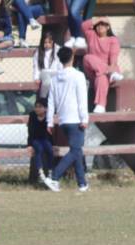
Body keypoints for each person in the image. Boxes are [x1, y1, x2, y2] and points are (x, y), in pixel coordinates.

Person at [43, 46, 89, 193]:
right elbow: (82, 99)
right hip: (75, 118)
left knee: (77, 151)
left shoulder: (55, 78)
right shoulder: (78, 76)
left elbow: (51, 101)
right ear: (72, 58)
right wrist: (84, 118)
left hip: (62, 120)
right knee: (75, 151)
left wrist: (49, 121)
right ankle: (54, 177)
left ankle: (82, 184)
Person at [82, 17, 123, 114]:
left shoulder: (113, 40)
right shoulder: (92, 35)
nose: (100, 26)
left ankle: (101, 105)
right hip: (94, 72)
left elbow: (113, 57)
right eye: (98, 25)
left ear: (108, 27)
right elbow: (83, 26)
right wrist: (99, 19)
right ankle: (110, 72)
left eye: (103, 24)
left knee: (101, 77)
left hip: (106, 73)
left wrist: (111, 67)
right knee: (87, 57)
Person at [27, 98, 53, 181]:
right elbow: (30, 131)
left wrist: (53, 142)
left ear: (45, 108)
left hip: (45, 139)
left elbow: (51, 133)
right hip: (35, 139)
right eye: (36, 106)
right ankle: (40, 173)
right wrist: (29, 145)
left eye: (40, 106)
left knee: (50, 149)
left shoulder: (49, 116)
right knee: (39, 149)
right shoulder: (32, 115)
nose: (37, 109)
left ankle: (50, 172)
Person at [33, 32, 62, 98]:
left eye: (49, 42)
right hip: (44, 73)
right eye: (45, 42)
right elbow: (36, 66)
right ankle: (43, 97)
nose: (47, 44)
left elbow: (60, 64)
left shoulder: (58, 50)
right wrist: (36, 77)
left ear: (53, 42)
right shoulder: (38, 52)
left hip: (55, 73)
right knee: (47, 80)